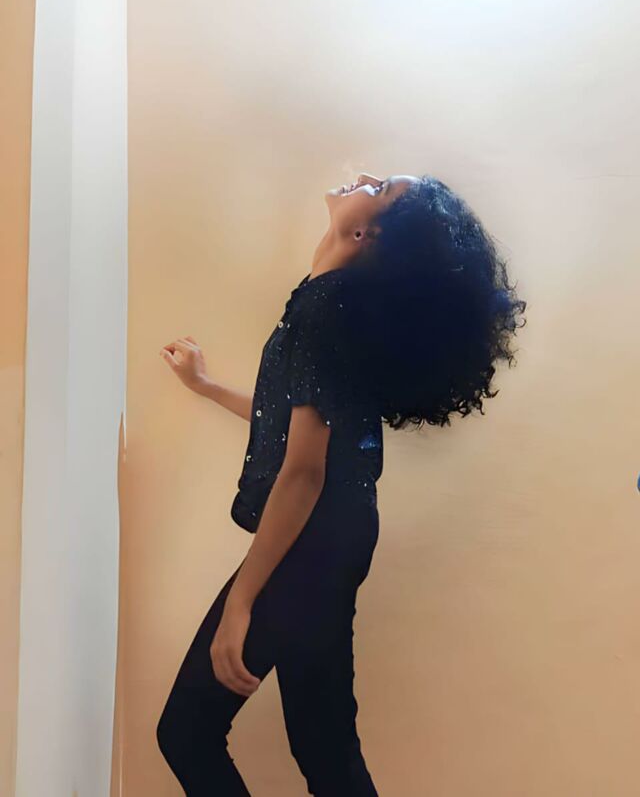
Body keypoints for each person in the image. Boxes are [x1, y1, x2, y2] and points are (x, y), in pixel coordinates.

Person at [155, 173, 527, 795]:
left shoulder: (328, 308)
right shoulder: (334, 305)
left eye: (381, 190)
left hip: (317, 536)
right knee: (325, 749)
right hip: (338, 536)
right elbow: (299, 420)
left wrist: (242, 601)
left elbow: (305, 471)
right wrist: (208, 387)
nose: (366, 178)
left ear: (367, 233)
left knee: (188, 732)